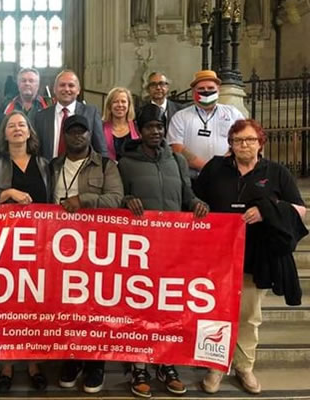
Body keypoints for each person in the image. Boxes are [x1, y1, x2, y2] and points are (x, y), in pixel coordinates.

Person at [194, 119, 307, 395]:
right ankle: (216, 366)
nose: (244, 145)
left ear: (260, 142)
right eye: (237, 140)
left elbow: (300, 210)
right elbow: (194, 199)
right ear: (230, 145)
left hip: (257, 255)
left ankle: (244, 366)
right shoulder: (214, 169)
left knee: (248, 314)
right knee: (216, 311)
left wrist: (268, 210)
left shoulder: (277, 172)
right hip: (217, 253)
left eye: (249, 140)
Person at [118, 103, 209, 398]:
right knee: (137, 307)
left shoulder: (177, 160)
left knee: (167, 308)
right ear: (139, 130)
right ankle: (138, 365)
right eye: (149, 127)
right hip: (138, 249)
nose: (155, 132)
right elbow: (119, 197)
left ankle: (166, 362)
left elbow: (187, 194)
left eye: (159, 127)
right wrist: (127, 199)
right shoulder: (126, 162)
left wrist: (196, 203)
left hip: (172, 248)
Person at [0, 111, 50, 394]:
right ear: (4, 134)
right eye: (12, 126)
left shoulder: (45, 164)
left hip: (40, 245)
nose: (17, 129)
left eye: (22, 125)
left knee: (34, 304)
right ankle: (6, 364)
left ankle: (33, 363)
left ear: (30, 132)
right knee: (5, 304)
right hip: (4, 245)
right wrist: (8, 193)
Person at [52, 114, 123, 394]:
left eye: (82, 132)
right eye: (72, 131)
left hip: (97, 247)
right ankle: (73, 358)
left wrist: (83, 200)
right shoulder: (53, 165)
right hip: (60, 247)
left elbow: (115, 199)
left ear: (89, 135)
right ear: (65, 136)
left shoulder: (106, 165)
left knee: (96, 305)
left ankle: (96, 362)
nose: (77, 136)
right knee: (68, 305)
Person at [167, 69, 245, 179]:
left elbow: (243, 140)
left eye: (210, 88)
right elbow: (177, 147)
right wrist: (208, 168)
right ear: (193, 92)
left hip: (227, 174)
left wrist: (222, 165)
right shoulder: (180, 117)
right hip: (193, 177)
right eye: (201, 89)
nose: (206, 91)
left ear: (218, 90)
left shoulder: (233, 113)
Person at [33, 69, 108, 160]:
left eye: (71, 85)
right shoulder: (41, 116)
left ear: (78, 90)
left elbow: (101, 149)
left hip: (83, 171)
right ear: (55, 89)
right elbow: (36, 150)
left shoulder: (91, 114)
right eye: (62, 85)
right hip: (49, 171)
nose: (66, 89)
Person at [102, 87, 140, 161]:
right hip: (108, 170)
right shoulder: (100, 128)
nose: (120, 105)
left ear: (129, 105)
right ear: (109, 105)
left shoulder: (137, 127)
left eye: (123, 101)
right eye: (115, 102)